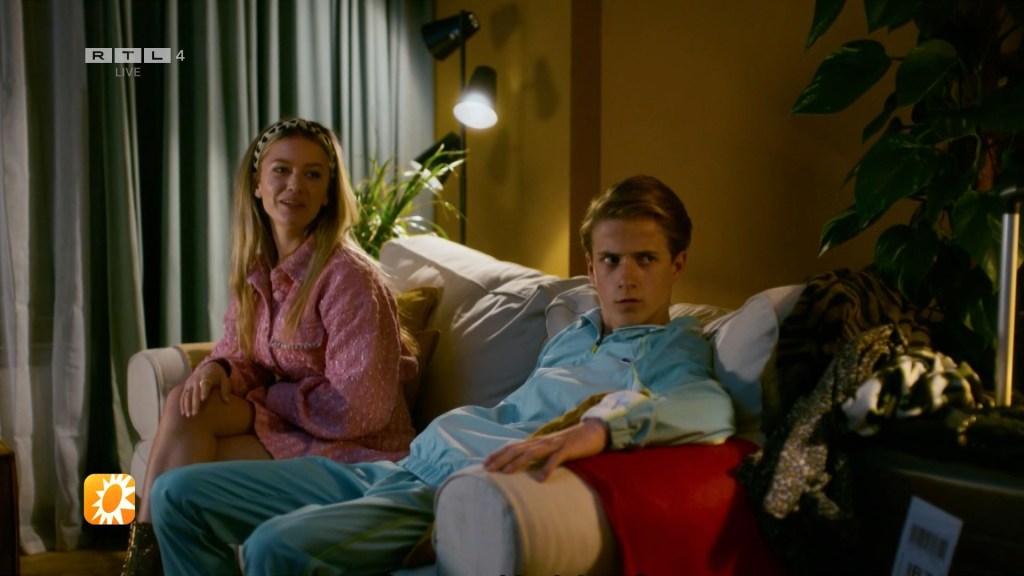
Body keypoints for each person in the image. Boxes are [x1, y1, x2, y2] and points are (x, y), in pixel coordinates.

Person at [149, 174, 736, 575]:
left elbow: (708, 408)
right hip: (405, 464)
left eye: (645, 259)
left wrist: (599, 431)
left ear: (677, 264)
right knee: (176, 494)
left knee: (274, 549)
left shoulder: (670, 346)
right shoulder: (574, 332)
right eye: (611, 260)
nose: (626, 277)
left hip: (449, 488)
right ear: (591, 267)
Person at [122, 118, 418, 574]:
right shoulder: (258, 268)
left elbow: (359, 411)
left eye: (312, 174)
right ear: (257, 185)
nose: (295, 185)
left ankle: (145, 565)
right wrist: (219, 369)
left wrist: (274, 396)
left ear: (328, 193)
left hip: (359, 453)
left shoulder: (350, 278)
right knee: (186, 403)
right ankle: (142, 557)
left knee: (181, 483)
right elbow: (240, 353)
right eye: (281, 170)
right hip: (302, 429)